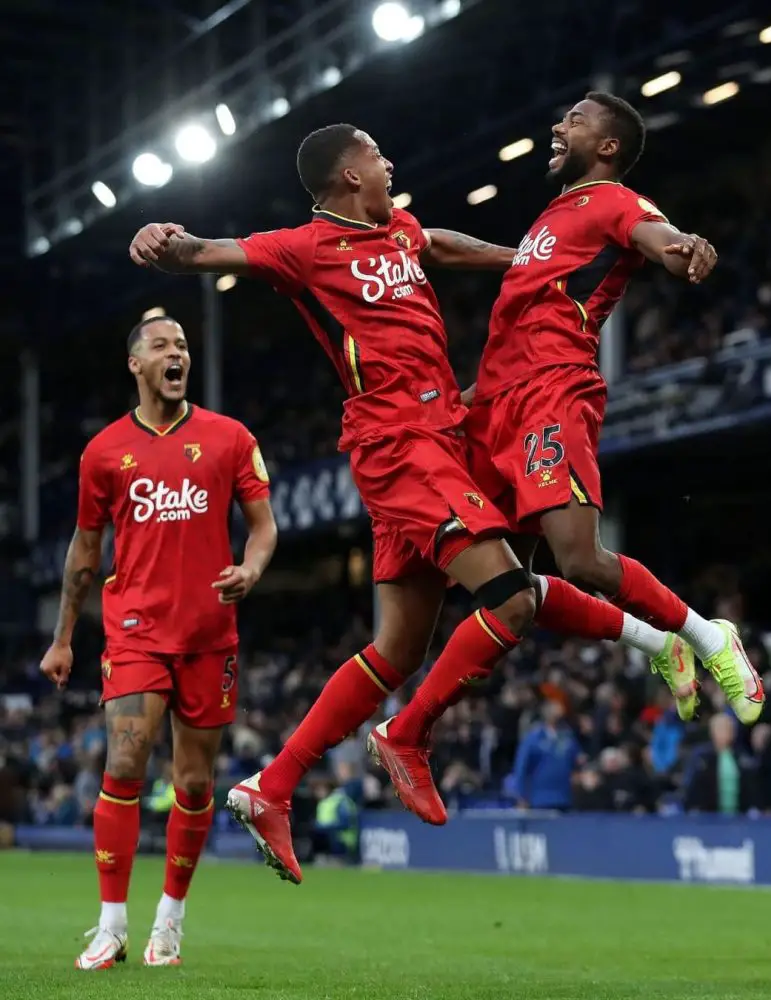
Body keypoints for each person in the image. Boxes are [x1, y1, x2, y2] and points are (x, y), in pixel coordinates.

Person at [129, 123, 694, 883]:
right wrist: (164, 240)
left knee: (397, 648)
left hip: (439, 436)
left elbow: (442, 245)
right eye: (376, 153)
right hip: (400, 444)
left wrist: (526, 262)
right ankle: (410, 735)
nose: (389, 161)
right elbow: (206, 253)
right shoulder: (303, 248)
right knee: (510, 597)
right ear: (349, 174)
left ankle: (272, 787)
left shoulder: (397, 228)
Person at [368, 93, 766, 821]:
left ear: (608, 146)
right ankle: (410, 732)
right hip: (493, 407)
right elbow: (480, 278)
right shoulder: (548, 221)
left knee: (579, 559)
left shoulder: (614, 200)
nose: (558, 126)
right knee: (508, 595)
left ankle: (709, 637)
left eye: (576, 120)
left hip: (552, 394)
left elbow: (654, 234)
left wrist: (682, 247)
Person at [39, 316, 276, 969]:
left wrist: (252, 568)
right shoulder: (103, 453)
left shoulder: (231, 438)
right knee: (124, 762)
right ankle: (111, 925)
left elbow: (263, 527)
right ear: (135, 364)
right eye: (162, 346)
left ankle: (169, 921)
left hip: (209, 634)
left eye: (183, 346)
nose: (177, 354)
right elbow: (85, 551)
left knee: (194, 782)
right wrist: (63, 638)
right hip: (136, 630)